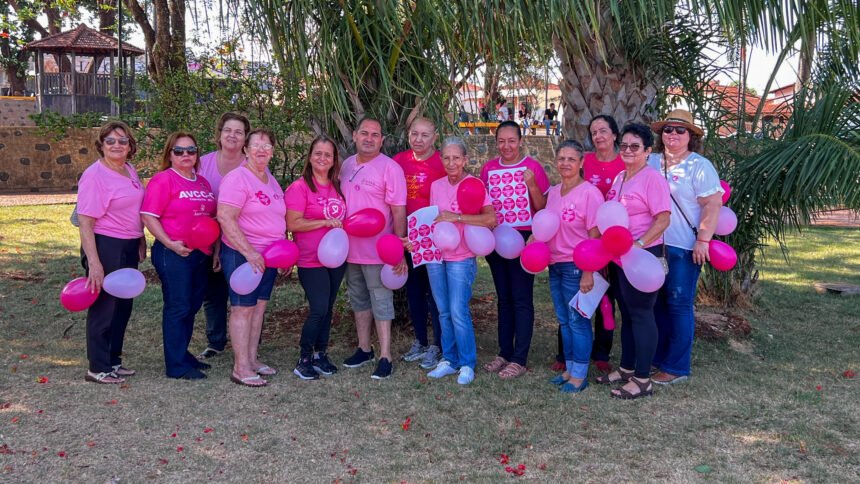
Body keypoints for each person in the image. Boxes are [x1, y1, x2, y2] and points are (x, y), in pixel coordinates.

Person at [648, 110, 723, 386]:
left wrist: (703, 240)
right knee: (656, 306)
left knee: (679, 306)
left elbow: (713, 204)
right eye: (668, 129)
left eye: (680, 130)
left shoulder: (700, 166)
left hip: (683, 248)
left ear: (691, 136)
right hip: (653, 247)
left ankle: (676, 366)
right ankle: (656, 357)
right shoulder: (651, 161)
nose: (673, 135)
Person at [597, 123, 671, 399]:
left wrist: (639, 244)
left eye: (635, 146)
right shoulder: (620, 178)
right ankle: (627, 369)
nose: (628, 150)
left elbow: (663, 218)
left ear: (648, 151)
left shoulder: (652, 178)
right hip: (619, 259)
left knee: (641, 315)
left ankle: (642, 380)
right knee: (627, 315)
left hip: (643, 257)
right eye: (624, 145)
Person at [141, 132, 217, 380]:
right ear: (169, 154)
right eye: (179, 151)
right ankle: (175, 365)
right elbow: (149, 216)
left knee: (192, 306)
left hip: (200, 254)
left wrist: (214, 249)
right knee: (178, 306)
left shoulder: (203, 183)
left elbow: (211, 221)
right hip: (173, 253)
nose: (186, 155)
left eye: (191, 150)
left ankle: (183, 355)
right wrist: (170, 244)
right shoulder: (163, 180)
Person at [76, 121, 146, 384]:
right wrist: (94, 263)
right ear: (101, 145)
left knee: (123, 305)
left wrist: (140, 239)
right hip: (106, 245)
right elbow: (86, 222)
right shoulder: (95, 175)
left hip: (128, 245)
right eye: (111, 141)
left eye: (123, 141)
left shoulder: (128, 169)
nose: (117, 145)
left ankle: (113, 359)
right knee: (104, 307)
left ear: (130, 146)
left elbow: (133, 210)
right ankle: (98, 367)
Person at [339, 117, 408, 380]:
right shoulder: (346, 165)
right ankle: (364, 348)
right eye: (364, 133)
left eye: (375, 135)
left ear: (382, 140)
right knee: (358, 300)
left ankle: (385, 354)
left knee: (381, 301)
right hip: (350, 250)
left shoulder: (390, 168)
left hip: (379, 251)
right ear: (355, 136)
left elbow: (398, 209)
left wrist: (398, 246)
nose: (369, 138)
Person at [480, 120, 550, 378]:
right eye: (501, 141)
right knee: (504, 298)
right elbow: (482, 203)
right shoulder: (488, 169)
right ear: (495, 142)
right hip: (497, 238)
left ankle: (519, 358)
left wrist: (531, 185)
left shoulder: (532, 167)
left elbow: (543, 208)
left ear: (521, 141)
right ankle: (504, 352)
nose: (506, 146)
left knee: (521, 299)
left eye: (511, 140)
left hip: (524, 239)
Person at [423, 137, 496, 385]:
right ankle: (449, 359)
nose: (451, 162)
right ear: (441, 159)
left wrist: (458, 218)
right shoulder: (436, 185)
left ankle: (467, 363)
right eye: (446, 157)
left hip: (461, 257)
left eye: (456, 157)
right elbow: (434, 220)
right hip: (436, 256)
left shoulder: (474, 184)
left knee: (458, 311)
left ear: (465, 159)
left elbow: (490, 220)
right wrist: (417, 240)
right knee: (443, 311)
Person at [218, 128, 285, 387]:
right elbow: (225, 217)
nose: (261, 150)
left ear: (272, 152)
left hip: (267, 255)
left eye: (267, 147)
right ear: (245, 150)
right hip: (242, 253)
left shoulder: (269, 178)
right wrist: (249, 252)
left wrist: (279, 253)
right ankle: (240, 366)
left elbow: (275, 217)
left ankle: (253, 358)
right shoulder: (237, 179)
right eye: (256, 145)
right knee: (242, 309)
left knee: (258, 308)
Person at [543, 140, 604, 393]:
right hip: (555, 264)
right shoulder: (555, 192)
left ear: (581, 163)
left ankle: (579, 375)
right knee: (564, 320)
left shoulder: (590, 193)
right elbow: (547, 225)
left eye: (571, 159)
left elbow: (595, 235)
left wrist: (589, 270)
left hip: (577, 267)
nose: (565, 163)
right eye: (561, 158)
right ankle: (569, 368)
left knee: (578, 321)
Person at [285, 136, 347, 380]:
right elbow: (292, 223)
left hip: (337, 258)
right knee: (319, 308)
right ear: (310, 156)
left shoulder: (338, 186)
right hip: (311, 259)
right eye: (318, 153)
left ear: (334, 160)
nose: (323, 158)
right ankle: (304, 358)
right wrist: (323, 222)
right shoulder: (299, 187)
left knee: (328, 308)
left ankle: (321, 354)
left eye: (328, 155)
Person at [569, 114, 626, 374]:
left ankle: (601, 352)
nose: (598, 136)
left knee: (607, 296)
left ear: (615, 134)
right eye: (594, 132)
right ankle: (565, 350)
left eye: (604, 130)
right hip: (584, 238)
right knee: (575, 293)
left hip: (614, 240)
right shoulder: (586, 162)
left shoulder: (625, 164)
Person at [392, 118, 446, 369]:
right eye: (414, 133)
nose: (419, 139)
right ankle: (421, 341)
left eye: (425, 135)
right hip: (408, 238)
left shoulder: (442, 162)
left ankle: (438, 345)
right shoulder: (399, 161)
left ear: (435, 137)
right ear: (408, 135)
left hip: (435, 239)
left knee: (435, 293)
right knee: (414, 291)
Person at [196, 112, 250, 360]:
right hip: (205, 236)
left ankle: (249, 339)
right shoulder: (202, 163)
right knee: (213, 291)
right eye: (228, 130)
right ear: (219, 134)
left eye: (239, 132)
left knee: (244, 291)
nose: (232, 135)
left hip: (240, 237)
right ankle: (216, 341)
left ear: (245, 138)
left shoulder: (251, 165)